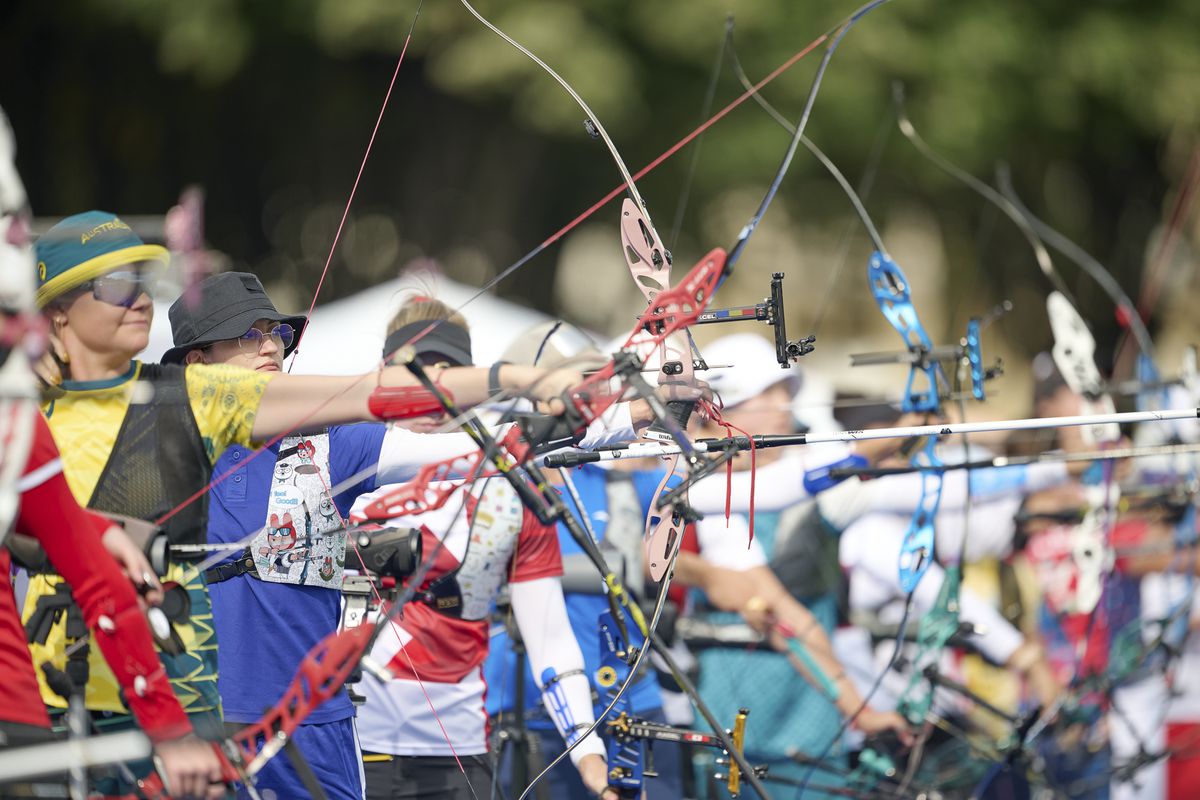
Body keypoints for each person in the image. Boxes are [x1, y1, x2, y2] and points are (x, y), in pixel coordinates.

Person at [25, 210, 583, 759]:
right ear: (199, 363)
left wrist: (550, 404)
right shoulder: (152, 425)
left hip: (312, 724)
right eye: (248, 335)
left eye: (275, 333)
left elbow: (417, 423)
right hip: (173, 715)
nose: (271, 346)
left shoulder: (329, 441)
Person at [0, 109, 223, 798]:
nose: (139, 302)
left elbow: (87, 564)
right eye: (115, 283)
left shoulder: (16, 427)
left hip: (39, 712)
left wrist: (500, 383)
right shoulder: (26, 413)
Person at [347, 315, 618, 800]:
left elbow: (551, 638)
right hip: (348, 744)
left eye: (446, 373)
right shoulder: (345, 466)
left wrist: (589, 756)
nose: (428, 392)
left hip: (459, 753)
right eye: (412, 377)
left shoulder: (511, 485)